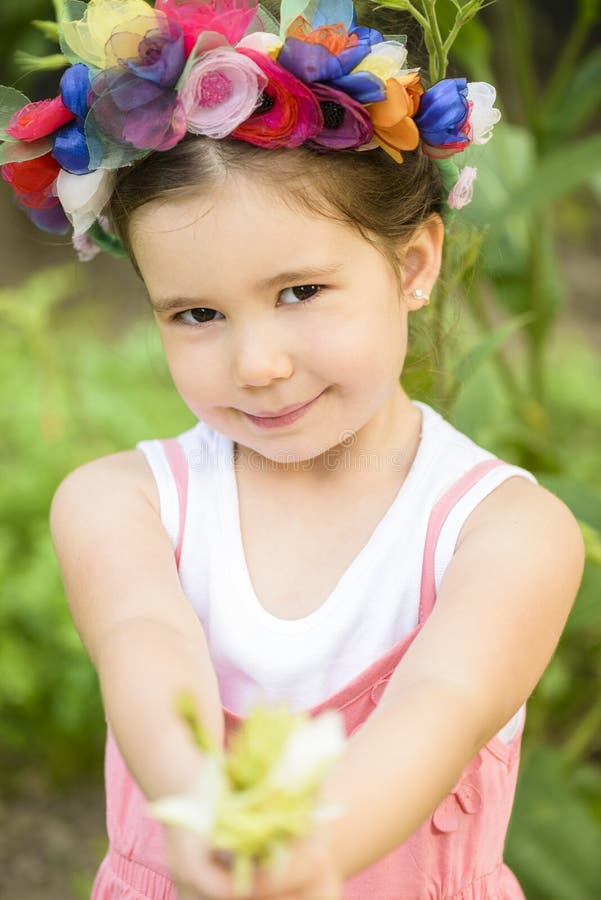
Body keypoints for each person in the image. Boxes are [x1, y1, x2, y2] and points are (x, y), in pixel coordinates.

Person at [1, 0, 584, 896]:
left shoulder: (503, 533)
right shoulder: (122, 504)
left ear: (412, 266)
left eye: (301, 291)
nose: (258, 364)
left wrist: (300, 850)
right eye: (197, 314)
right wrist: (200, 804)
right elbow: (146, 649)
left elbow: (440, 704)